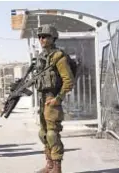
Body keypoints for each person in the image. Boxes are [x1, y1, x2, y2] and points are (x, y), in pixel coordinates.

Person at [35, 25, 74, 173]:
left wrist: (58, 98)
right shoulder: (42, 57)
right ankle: (49, 164)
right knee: (43, 133)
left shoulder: (59, 57)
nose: (41, 39)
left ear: (53, 38)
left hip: (52, 97)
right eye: (39, 37)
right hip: (42, 98)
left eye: (44, 36)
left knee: (52, 134)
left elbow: (68, 80)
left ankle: (57, 167)